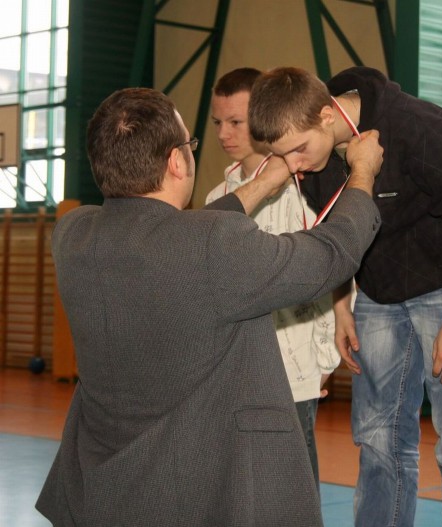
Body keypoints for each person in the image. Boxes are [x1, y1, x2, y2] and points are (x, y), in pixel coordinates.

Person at [35, 87, 383, 526]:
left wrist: (263, 184)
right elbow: (330, 256)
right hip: (197, 490)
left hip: (104, 492)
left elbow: (174, 236)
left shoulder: (73, 234)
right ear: (176, 161)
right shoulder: (211, 246)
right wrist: (363, 174)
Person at [248, 66, 442, 527]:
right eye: (283, 157)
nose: (295, 165)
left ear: (327, 116)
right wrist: (342, 306)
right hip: (378, 297)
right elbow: (336, 234)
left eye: (299, 150)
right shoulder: (313, 159)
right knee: (379, 439)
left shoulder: (419, 126)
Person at [205, 67, 337, 489]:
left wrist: (324, 358)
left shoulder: (303, 188)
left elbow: (328, 271)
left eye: (236, 121)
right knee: (240, 484)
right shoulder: (217, 199)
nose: (224, 133)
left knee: (294, 484)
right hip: (234, 370)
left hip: (292, 370)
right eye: (217, 123)